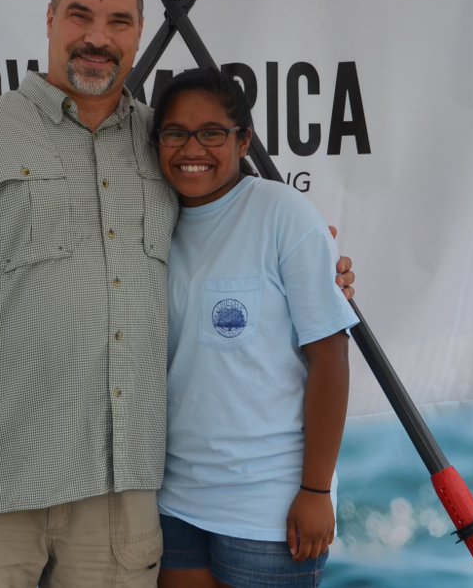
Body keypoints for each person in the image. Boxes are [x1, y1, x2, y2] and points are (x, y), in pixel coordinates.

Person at [0, 0, 354, 588]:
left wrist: (318, 265)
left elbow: (234, 229)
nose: (98, 37)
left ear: (139, 33)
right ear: (50, 19)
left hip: (118, 504)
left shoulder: (162, 143)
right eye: (81, 16)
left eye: (119, 21)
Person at [151, 67, 358, 588]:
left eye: (211, 133)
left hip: (269, 509)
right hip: (174, 500)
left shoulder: (282, 213)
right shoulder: (153, 221)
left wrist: (316, 491)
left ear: (243, 140)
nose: (191, 149)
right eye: (175, 133)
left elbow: (330, 357)